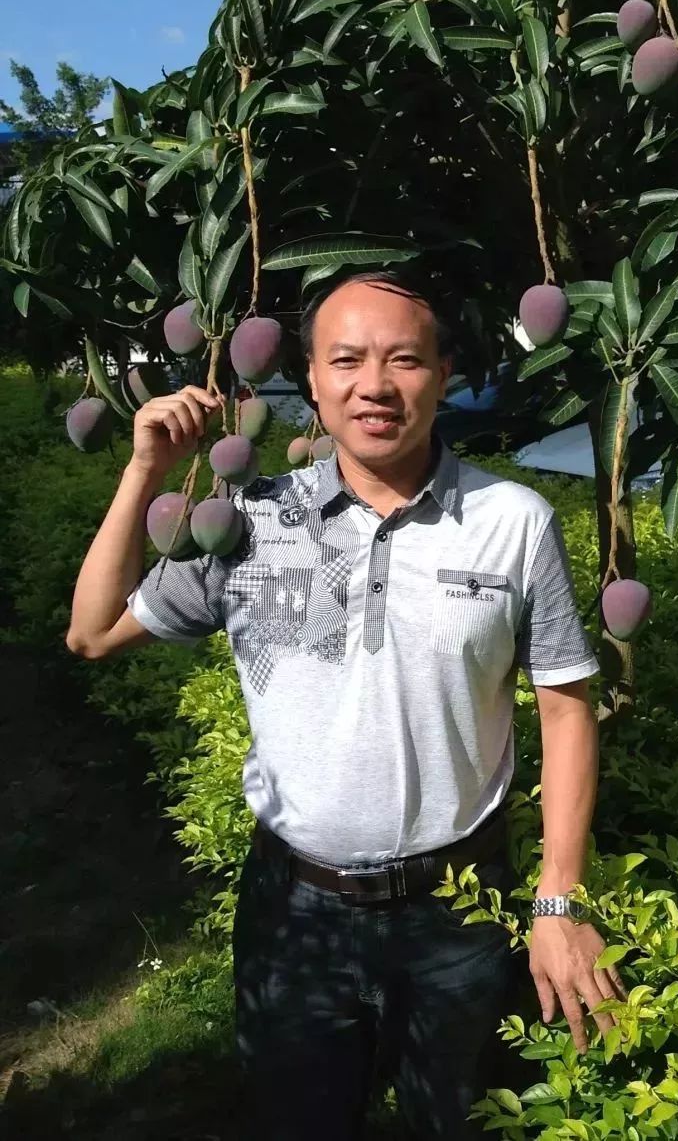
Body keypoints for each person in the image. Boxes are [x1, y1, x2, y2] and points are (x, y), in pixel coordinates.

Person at [66, 272, 624, 1139]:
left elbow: (565, 708)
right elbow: (93, 632)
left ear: (443, 374)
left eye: (404, 360)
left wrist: (559, 899)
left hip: (458, 911)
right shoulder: (247, 518)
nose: (376, 385)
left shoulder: (513, 521)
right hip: (294, 913)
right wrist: (146, 471)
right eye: (347, 360)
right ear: (312, 380)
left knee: (460, 1123)